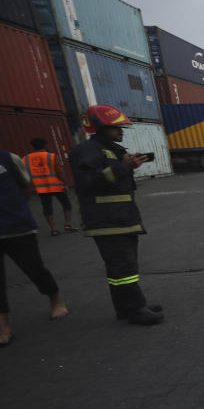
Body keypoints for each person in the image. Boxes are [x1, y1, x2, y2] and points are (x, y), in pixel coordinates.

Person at [69, 105, 163, 325]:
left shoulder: (112, 149)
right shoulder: (88, 151)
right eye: (116, 127)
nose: (121, 131)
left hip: (121, 218)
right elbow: (90, 182)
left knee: (120, 268)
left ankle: (125, 307)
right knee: (124, 267)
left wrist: (128, 164)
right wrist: (123, 167)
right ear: (101, 127)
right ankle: (136, 308)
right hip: (107, 220)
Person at [0, 149, 69, 346]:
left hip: (17, 227)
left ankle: (55, 299)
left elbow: (26, 187)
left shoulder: (8, 159)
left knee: (35, 269)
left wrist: (14, 210)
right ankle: (3, 325)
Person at [25, 138, 75, 236]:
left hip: (41, 188)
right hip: (56, 186)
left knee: (47, 208)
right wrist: (65, 184)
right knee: (66, 204)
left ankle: (53, 229)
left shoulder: (26, 158)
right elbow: (60, 172)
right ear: (44, 145)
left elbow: (23, 173)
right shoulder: (51, 156)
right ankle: (68, 224)